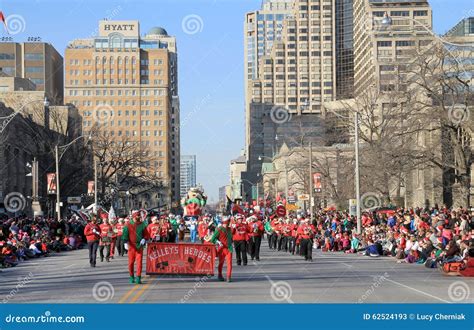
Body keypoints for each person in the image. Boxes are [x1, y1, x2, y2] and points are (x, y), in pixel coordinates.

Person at [122, 211, 150, 284]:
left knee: (139, 263)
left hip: (139, 246)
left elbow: (147, 234)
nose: (138, 218)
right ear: (134, 217)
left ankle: (138, 277)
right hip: (131, 246)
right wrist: (125, 242)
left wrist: (144, 239)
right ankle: (131, 277)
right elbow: (125, 234)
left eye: (139, 217)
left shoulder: (142, 225)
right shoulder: (128, 225)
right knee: (131, 263)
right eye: (137, 217)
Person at [211, 217, 233, 282]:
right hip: (221, 249)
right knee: (221, 263)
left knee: (229, 263)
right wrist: (218, 242)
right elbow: (213, 239)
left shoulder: (229, 229)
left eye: (228, 222)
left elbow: (231, 237)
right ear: (223, 223)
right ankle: (220, 275)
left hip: (229, 248)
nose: (227, 224)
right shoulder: (219, 229)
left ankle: (228, 277)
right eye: (226, 222)